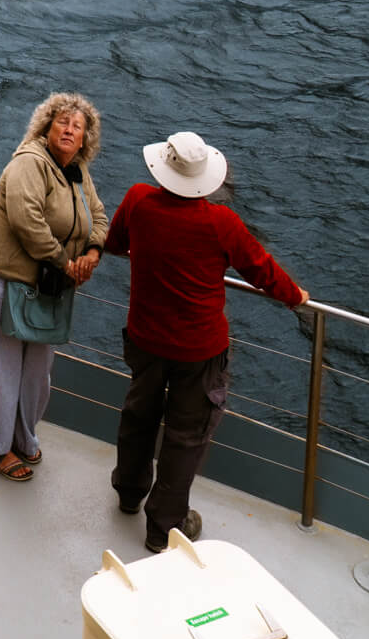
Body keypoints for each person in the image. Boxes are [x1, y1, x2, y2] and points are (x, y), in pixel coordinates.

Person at [105, 129, 308, 553]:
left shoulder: (139, 200)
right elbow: (260, 268)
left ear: (163, 168)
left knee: (139, 415)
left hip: (145, 338)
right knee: (185, 436)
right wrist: (296, 296)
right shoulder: (221, 223)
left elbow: (115, 243)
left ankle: (128, 492)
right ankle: (164, 528)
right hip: (199, 350)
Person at [0, 93, 107, 480]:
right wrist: (67, 264)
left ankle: (24, 438)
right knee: (1, 368)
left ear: (84, 140)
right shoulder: (30, 162)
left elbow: (98, 216)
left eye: (77, 127)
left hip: (43, 287)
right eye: (62, 122)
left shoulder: (77, 172)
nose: (69, 130)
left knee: (37, 373)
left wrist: (92, 252)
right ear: (46, 126)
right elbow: (28, 221)